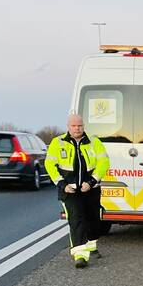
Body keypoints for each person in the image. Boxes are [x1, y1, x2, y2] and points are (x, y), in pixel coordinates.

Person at [45, 114, 110, 268]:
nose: (77, 128)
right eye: (73, 126)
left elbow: (104, 162)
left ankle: (92, 245)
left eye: (79, 125)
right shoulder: (58, 143)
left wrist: (92, 181)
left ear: (83, 126)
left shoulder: (94, 142)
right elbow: (49, 164)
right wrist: (61, 184)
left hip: (91, 189)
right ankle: (80, 255)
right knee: (76, 219)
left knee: (93, 219)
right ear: (68, 126)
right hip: (69, 190)